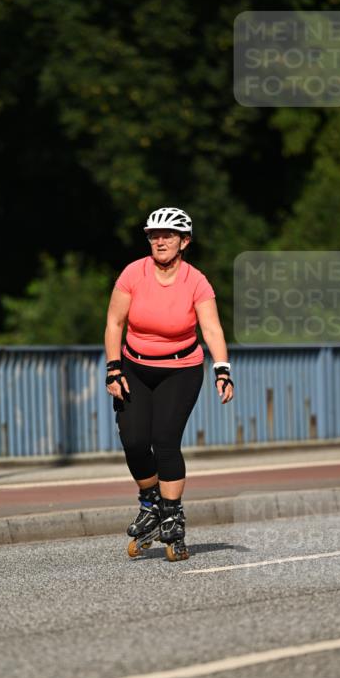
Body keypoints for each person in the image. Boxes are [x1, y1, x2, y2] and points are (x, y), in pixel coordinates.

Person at [104, 207, 234, 561]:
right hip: (134, 366)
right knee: (133, 440)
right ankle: (151, 503)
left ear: (184, 241)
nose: (159, 241)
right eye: (153, 235)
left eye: (168, 236)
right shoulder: (134, 273)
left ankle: (173, 514)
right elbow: (115, 323)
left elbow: (211, 329)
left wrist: (222, 369)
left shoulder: (196, 281)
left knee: (164, 441)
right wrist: (113, 369)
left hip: (181, 369)